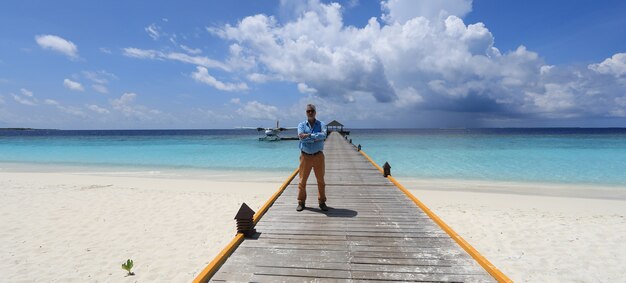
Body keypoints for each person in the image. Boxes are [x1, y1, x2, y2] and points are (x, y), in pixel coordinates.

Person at [296, 104, 328, 212]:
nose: (310, 112)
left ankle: (322, 202)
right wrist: (315, 137)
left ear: (315, 112)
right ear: (306, 112)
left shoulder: (321, 124)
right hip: (305, 156)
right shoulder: (301, 125)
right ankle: (301, 202)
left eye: (312, 111)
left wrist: (309, 135)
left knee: (321, 180)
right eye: (308, 111)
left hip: (318, 156)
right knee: (302, 181)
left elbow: (324, 136)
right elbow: (301, 137)